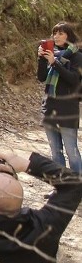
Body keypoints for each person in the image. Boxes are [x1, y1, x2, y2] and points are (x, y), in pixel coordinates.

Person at [37, 21, 82, 173]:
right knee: (56, 152)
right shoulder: (51, 53)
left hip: (67, 110)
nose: (56, 36)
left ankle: (78, 187)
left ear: (69, 36)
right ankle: (62, 188)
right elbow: (42, 77)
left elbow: (74, 79)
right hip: (49, 108)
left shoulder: (77, 56)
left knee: (71, 151)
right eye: (54, 33)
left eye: (61, 33)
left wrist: (54, 63)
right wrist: (42, 59)